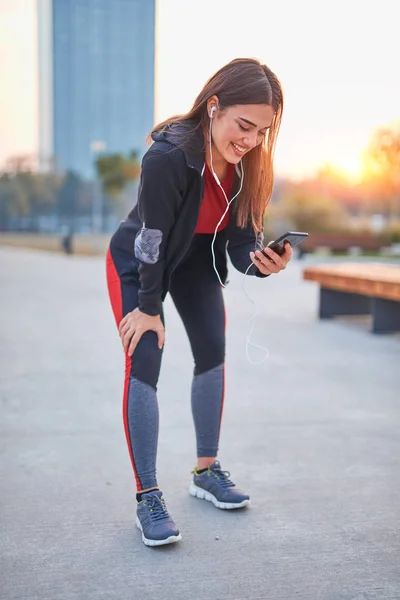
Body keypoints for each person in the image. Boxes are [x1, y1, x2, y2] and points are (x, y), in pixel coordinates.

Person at [106, 58, 292, 547]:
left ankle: (205, 471)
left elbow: (239, 242)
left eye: (261, 131)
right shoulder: (168, 157)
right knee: (145, 354)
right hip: (140, 260)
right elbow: (151, 238)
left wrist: (262, 261)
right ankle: (148, 495)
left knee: (212, 350)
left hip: (197, 262)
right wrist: (147, 308)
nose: (250, 140)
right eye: (243, 125)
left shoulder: (252, 163)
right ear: (214, 107)